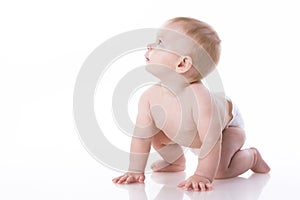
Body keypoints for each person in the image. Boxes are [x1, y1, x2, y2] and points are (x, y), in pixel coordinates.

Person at [112, 17, 270, 192]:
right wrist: (135, 170)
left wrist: (202, 174)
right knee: (153, 132)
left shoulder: (200, 99)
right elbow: (141, 136)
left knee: (219, 171)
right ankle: (175, 161)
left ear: (182, 63)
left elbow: (211, 140)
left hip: (226, 128)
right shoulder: (149, 97)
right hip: (189, 131)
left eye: (160, 43)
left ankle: (252, 157)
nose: (150, 45)